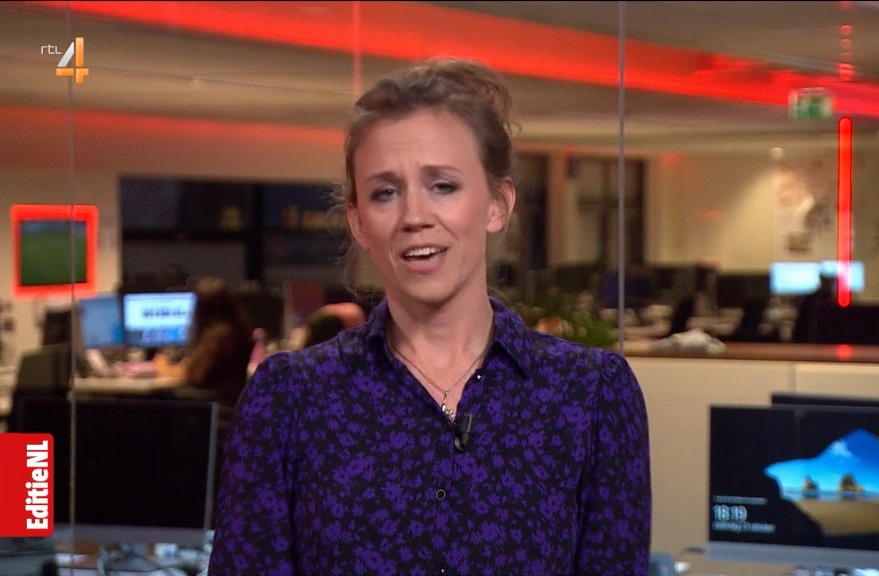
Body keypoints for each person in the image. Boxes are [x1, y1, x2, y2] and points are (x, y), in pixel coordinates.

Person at [209, 58, 652, 575]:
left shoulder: (591, 394)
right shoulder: (289, 399)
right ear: (358, 220)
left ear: (497, 204)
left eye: (442, 185)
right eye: (385, 193)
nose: (415, 217)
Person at [152, 276, 254, 407]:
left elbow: (193, 375)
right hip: (226, 401)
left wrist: (163, 367)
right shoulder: (238, 329)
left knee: (158, 399)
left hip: (208, 401)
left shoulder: (217, 337)